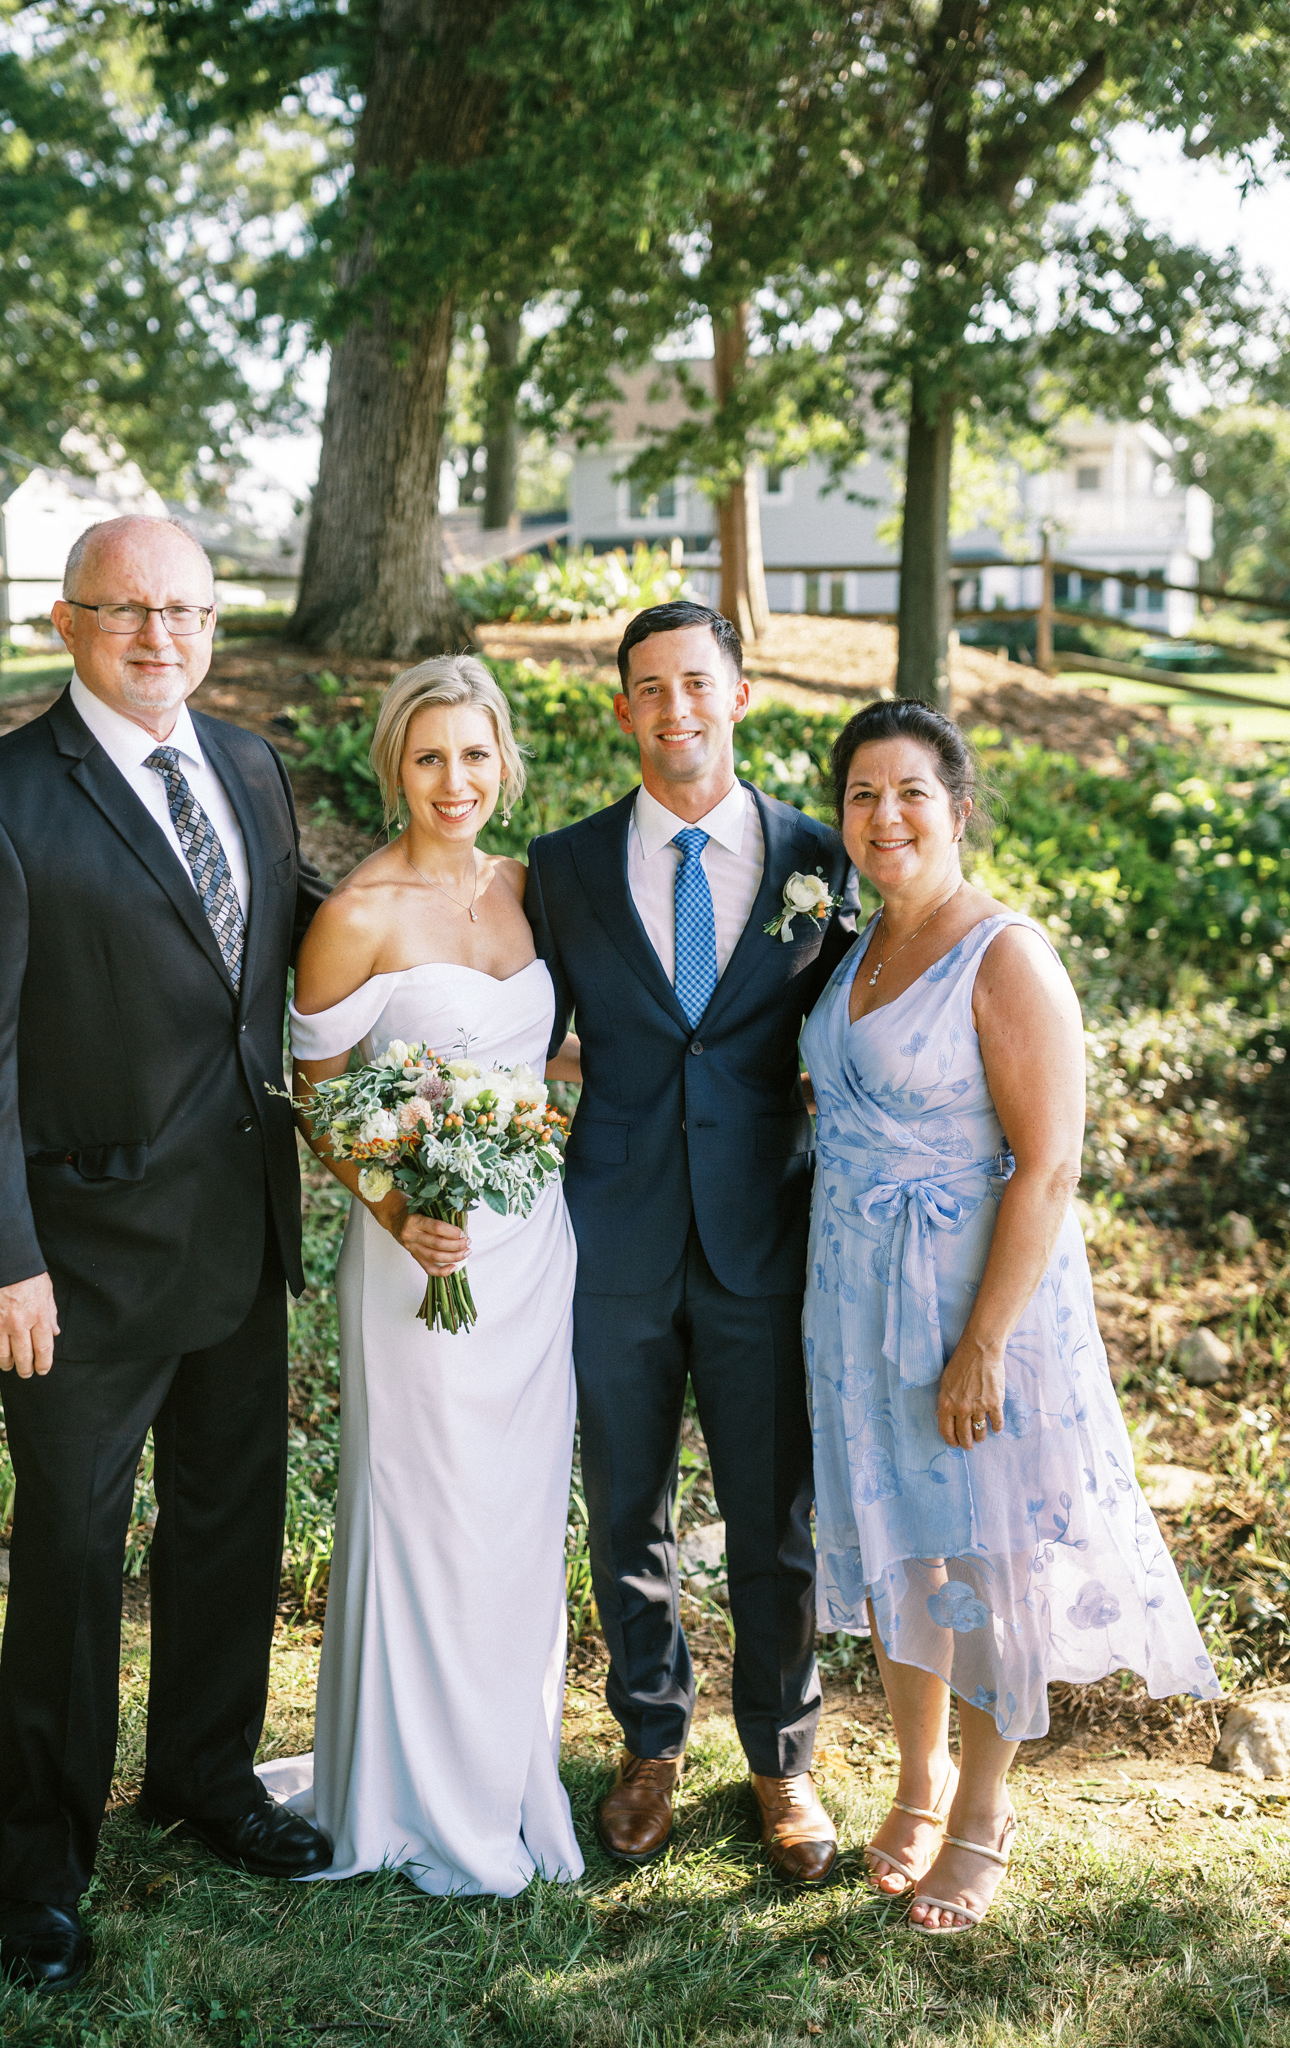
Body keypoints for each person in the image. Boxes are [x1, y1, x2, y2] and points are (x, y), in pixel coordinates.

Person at [0, 515, 333, 1994]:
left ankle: (207, 1781)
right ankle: (40, 1865)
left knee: (229, 1525)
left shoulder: (255, 768)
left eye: (190, 611)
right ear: (66, 622)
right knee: (73, 1558)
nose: (163, 636)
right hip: (71, 1269)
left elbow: (298, 944)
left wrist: (488, 970)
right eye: (129, 610)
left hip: (238, 1234)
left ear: (217, 627)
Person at [801, 699, 1221, 1932]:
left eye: (911, 792)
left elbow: (1047, 1166)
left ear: (960, 810)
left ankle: (983, 1807)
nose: (886, 816)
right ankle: (917, 1776)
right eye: (863, 795)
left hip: (969, 1307)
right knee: (898, 1546)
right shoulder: (858, 943)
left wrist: (982, 1339)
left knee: (983, 1551)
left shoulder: (1003, 954)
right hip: (854, 1298)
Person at [524, 599, 859, 1880]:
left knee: (775, 1514)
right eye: (650, 689)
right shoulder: (560, 866)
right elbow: (514, 1012)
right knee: (626, 1506)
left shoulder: (818, 856)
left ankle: (785, 1759)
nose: (676, 710)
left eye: (698, 684)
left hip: (764, 1235)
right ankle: (650, 1739)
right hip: (609, 1230)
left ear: (740, 695)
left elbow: (856, 1023)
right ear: (624, 709)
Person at [257, 654, 585, 1897]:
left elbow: (555, 1054)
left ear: (506, 758)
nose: (457, 780)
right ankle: (405, 1790)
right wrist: (402, 1210)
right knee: (429, 1508)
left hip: (529, 1246)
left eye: (477, 754)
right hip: (417, 1260)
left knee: (515, 1513)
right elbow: (320, 1096)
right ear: (395, 763)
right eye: (431, 756)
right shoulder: (359, 910)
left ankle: (508, 1767)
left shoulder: (530, 890)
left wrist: (537, 1132)